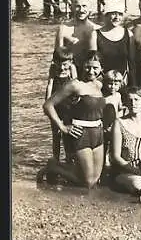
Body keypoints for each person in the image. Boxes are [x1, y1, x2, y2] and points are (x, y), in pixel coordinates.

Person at [40, 51, 106, 189]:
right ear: (82, 66)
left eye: (95, 68)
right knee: (87, 182)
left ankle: (64, 169)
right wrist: (62, 127)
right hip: (81, 133)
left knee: (94, 179)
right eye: (88, 67)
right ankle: (54, 167)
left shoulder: (99, 85)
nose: (91, 71)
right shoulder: (74, 85)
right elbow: (48, 105)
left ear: (101, 69)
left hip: (98, 133)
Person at [54, 0, 101, 76]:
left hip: (90, 74)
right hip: (69, 74)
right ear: (71, 7)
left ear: (90, 8)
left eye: (84, 6)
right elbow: (57, 57)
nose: (81, 10)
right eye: (77, 6)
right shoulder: (64, 28)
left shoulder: (97, 29)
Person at [45, 47, 78, 164]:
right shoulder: (53, 69)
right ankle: (56, 158)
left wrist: (77, 99)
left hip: (69, 103)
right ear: (54, 61)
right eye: (59, 63)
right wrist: (47, 102)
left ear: (70, 62)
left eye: (65, 64)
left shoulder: (72, 69)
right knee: (56, 133)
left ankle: (70, 157)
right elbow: (49, 85)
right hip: (56, 103)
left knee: (69, 131)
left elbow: (75, 82)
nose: (62, 67)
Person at [95, 0, 136, 86]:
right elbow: (92, 62)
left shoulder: (128, 34)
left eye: (120, 14)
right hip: (101, 80)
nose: (117, 17)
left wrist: (133, 85)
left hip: (121, 81)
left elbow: (132, 62)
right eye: (113, 14)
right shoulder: (95, 34)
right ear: (106, 15)